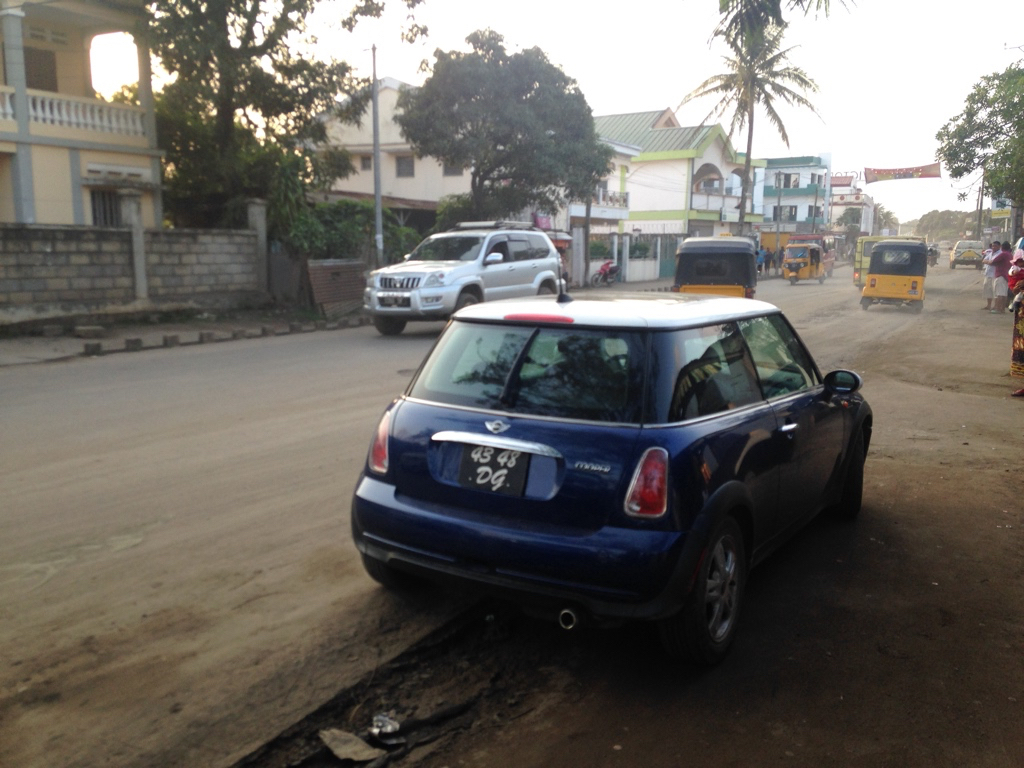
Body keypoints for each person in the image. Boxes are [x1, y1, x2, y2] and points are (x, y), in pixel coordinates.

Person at [981, 240, 1002, 311]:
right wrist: (989, 262)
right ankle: (988, 305)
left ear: (999, 246)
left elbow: (993, 262)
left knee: (995, 291)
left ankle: (995, 306)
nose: (994, 247)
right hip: (988, 274)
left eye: (995, 246)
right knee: (987, 290)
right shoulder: (991, 253)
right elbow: (984, 260)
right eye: (993, 246)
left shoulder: (1000, 254)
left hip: (995, 274)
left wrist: (989, 262)